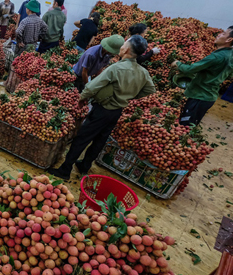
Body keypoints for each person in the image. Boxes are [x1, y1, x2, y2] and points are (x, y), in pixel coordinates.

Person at [49, 35, 156, 180]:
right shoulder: (143, 72)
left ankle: (65, 170)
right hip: (116, 112)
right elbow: (150, 90)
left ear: (126, 50)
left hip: (102, 110)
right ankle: (84, 166)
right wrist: (130, 95)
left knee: (82, 138)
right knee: (100, 140)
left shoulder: (116, 68)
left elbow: (92, 86)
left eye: (124, 44)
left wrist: (82, 98)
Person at [172, 25, 233, 126]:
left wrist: (177, 64)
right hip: (210, 97)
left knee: (185, 126)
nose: (219, 34)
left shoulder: (215, 57)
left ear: (229, 39)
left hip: (199, 96)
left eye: (224, 33)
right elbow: (229, 75)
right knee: (192, 123)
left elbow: (189, 70)